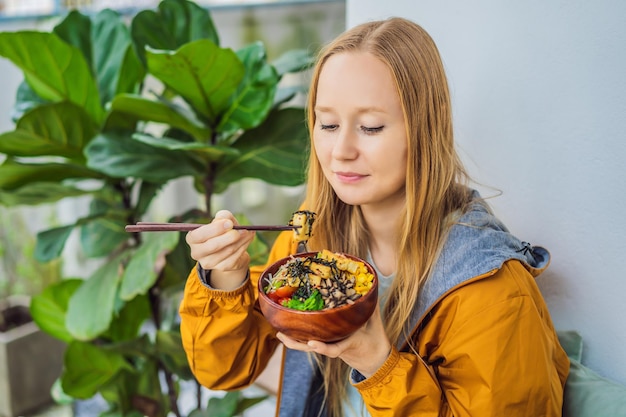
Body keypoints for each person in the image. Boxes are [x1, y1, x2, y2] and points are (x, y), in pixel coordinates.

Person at [179, 16, 570, 417]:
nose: (340, 150)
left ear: (423, 128)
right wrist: (225, 277)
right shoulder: (312, 246)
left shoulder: (491, 291)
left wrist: (376, 361)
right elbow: (223, 371)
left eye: (370, 127)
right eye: (327, 123)